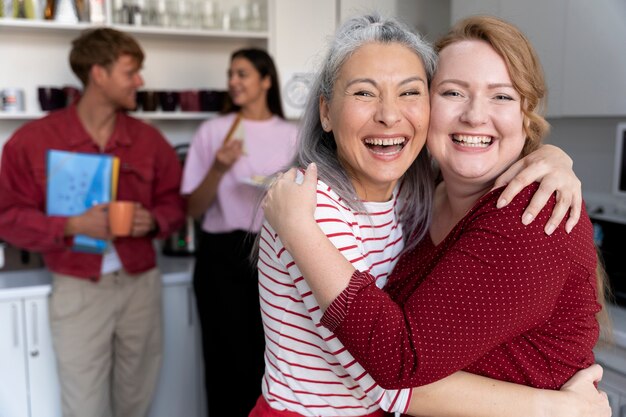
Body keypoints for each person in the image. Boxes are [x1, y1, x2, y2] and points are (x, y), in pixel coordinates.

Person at [255, 13, 608, 417]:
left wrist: (556, 156)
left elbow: (390, 370)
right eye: (453, 93)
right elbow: (383, 370)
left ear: (527, 117)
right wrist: (560, 409)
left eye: (503, 96)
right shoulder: (415, 196)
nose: (475, 115)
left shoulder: (531, 213)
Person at [0, 28, 186, 417]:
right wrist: (69, 226)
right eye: (131, 71)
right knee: (84, 406)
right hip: (77, 289)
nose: (141, 81)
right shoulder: (31, 141)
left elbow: (175, 207)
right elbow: (8, 218)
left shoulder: (149, 140)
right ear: (98, 74)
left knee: (136, 401)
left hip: (141, 288)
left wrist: (151, 221)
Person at [180, 48, 298, 417]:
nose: (233, 81)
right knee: (223, 360)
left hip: (278, 252)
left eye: (242, 73)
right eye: (230, 73)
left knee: (274, 358)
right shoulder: (214, 132)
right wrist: (217, 168)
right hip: (222, 256)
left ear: (266, 80)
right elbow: (192, 208)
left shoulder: (293, 135)